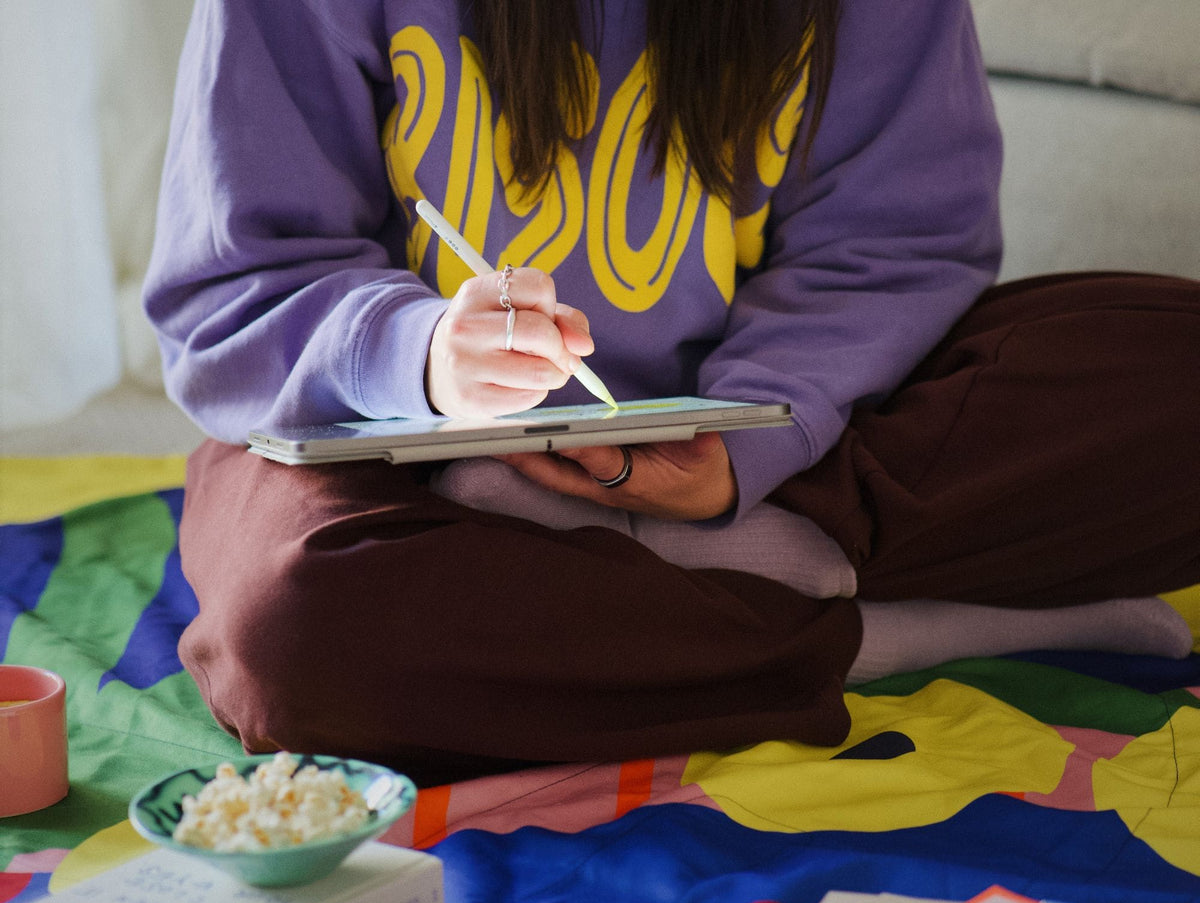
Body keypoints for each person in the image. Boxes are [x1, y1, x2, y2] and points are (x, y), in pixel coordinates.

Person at [144, 0, 1200, 786]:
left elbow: (896, 242)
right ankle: (875, 629)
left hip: (790, 454)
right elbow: (232, 285)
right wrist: (417, 355)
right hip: (399, 461)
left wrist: (750, 445)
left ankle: (678, 580)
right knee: (297, 636)